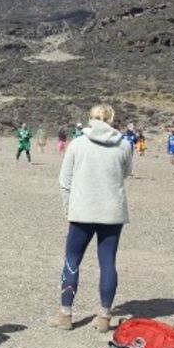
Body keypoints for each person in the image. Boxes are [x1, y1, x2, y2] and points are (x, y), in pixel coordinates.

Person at [51, 104, 133, 333]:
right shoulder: (124, 145)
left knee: (72, 259)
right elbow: (126, 173)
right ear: (112, 120)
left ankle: (65, 314)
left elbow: (65, 181)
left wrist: (68, 209)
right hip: (112, 212)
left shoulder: (77, 144)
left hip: (82, 211)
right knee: (108, 262)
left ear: (90, 119)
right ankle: (105, 316)